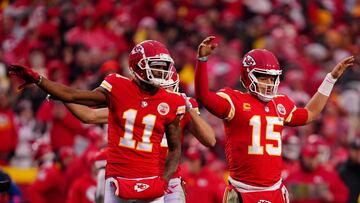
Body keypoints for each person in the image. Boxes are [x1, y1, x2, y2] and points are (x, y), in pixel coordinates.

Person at [9, 40, 187, 203]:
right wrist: (39, 80)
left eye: (164, 66)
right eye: (156, 66)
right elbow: (76, 99)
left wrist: (163, 181)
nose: (161, 71)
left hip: (150, 179)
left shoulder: (172, 101)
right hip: (118, 177)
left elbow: (175, 148)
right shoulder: (118, 87)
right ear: (138, 65)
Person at [194, 36, 356, 203]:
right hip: (244, 190)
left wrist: (330, 79)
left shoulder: (280, 103)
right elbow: (204, 96)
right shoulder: (235, 101)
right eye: (263, 77)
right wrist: (202, 60)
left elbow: (310, 113)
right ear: (247, 76)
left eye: (272, 78)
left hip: (275, 190)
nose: (269, 83)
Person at [62, 66, 216, 203]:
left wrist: (188, 108)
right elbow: (90, 116)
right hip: (139, 178)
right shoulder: (136, 106)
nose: (162, 92)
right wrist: (63, 96)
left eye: (165, 88)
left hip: (170, 180)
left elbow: (210, 140)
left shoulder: (180, 108)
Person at [284, 143, 349, 203]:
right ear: (303, 158)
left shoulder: (329, 176)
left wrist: (332, 197)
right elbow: (280, 195)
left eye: (312, 157)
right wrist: (287, 199)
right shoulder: (293, 176)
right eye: (307, 157)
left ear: (317, 157)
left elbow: (344, 195)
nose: (310, 161)